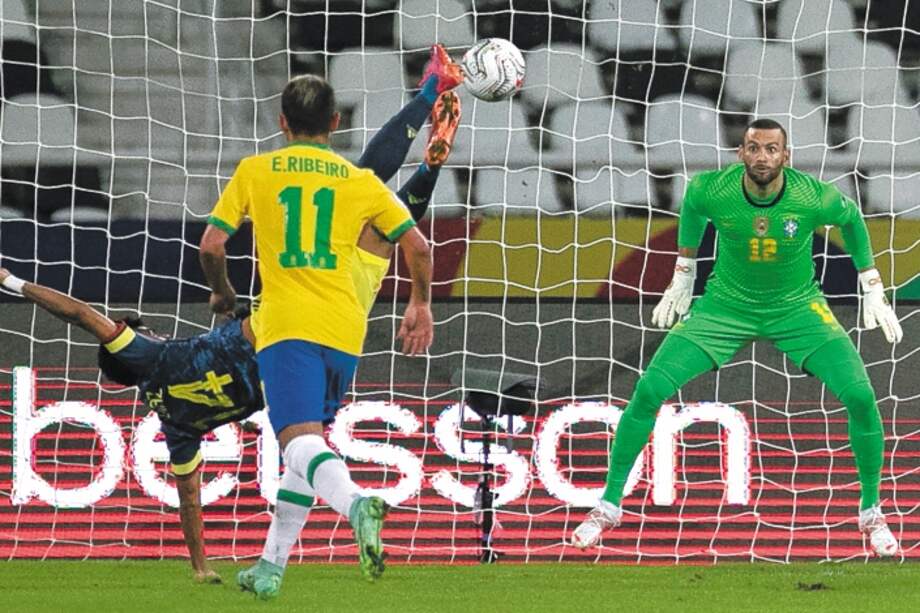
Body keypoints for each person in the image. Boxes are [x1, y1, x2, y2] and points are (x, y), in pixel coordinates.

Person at [571, 118, 904, 556]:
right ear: (740, 153)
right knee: (649, 389)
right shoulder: (713, 188)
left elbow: (852, 219)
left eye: (771, 149)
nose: (761, 156)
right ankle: (608, 506)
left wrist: (872, 284)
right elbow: (692, 205)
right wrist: (684, 273)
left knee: (861, 397)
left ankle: (871, 511)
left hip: (798, 309)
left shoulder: (812, 195)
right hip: (724, 308)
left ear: (786, 156)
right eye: (753, 147)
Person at [198, 48, 458, 598]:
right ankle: (271, 567)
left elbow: (213, 244)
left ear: (281, 120)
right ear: (335, 122)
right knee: (307, 449)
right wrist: (420, 304)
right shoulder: (356, 184)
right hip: (346, 328)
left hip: (288, 324)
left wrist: (223, 294)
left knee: (296, 444)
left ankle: (356, 503)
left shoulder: (255, 170)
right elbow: (414, 241)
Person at [0, 266, 261, 584]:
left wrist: (200, 567)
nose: (152, 334)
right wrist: (10, 281)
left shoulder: (176, 425)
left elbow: (190, 500)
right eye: (144, 331)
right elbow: (81, 313)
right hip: (262, 335)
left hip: (275, 378)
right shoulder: (148, 355)